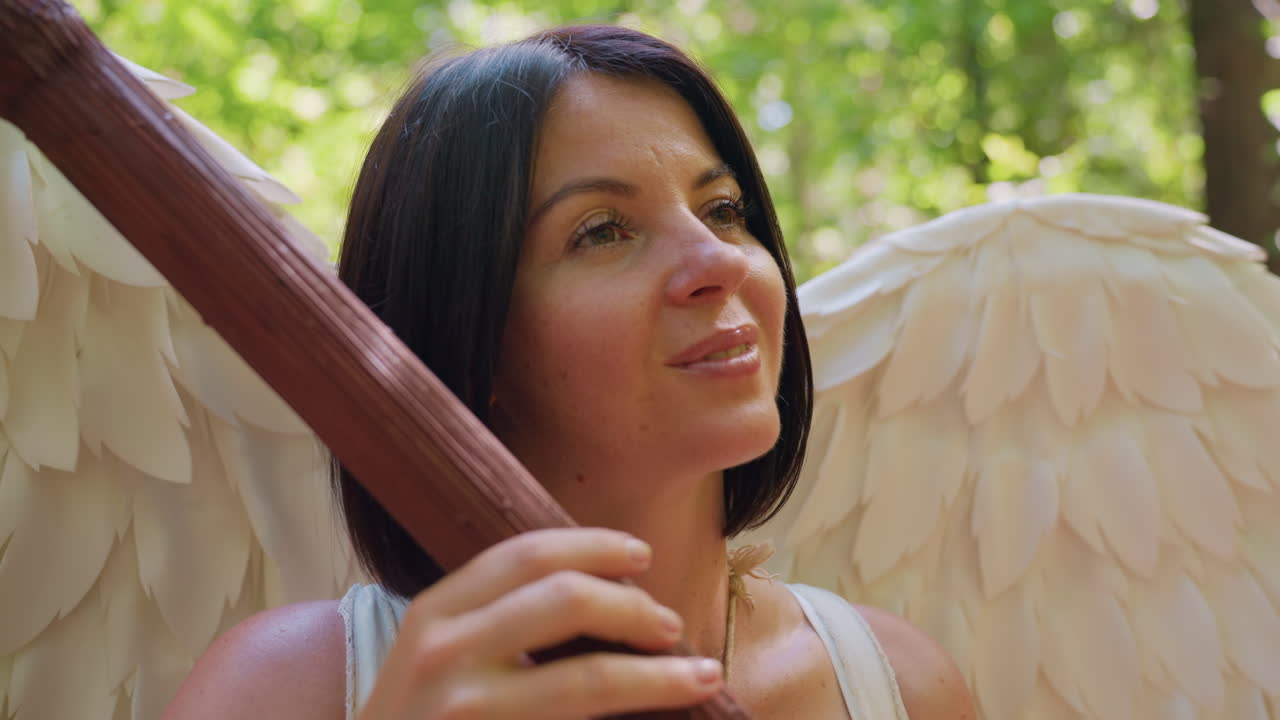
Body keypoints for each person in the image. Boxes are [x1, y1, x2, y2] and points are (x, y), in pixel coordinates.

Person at [163, 25, 974, 720]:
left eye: (723, 209)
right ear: (470, 335)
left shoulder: (900, 686)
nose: (715, 260)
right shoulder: (286, 689)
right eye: (602, 231)